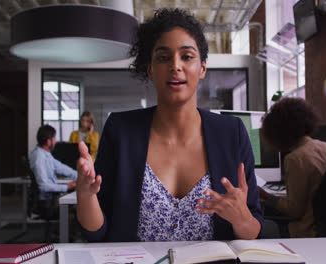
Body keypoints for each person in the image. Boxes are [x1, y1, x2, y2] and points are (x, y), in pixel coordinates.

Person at [76, 8, 264, 242]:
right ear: (150, 69)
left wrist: (241, 218)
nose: (176, 66)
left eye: (187, 56)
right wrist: (85, 195)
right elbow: (97, 233)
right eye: (163, 58)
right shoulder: (120, 131)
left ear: (202, 67)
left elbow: (254, 231)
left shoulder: (232, 133)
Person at [258, 98, 326, 238]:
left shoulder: (295, 158)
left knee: (258, 226)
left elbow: (294, 211)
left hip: (304, 231)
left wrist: (265, 196)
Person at [30, 125, 77, 201]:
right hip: (47, 200)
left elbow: (60, 167)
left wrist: (79, 175)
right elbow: (43, 186)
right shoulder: (39, 157)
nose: (55, 142)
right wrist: (66, 187)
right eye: (54, 139)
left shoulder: (45, 154)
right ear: (48, 141)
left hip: (52, 197)